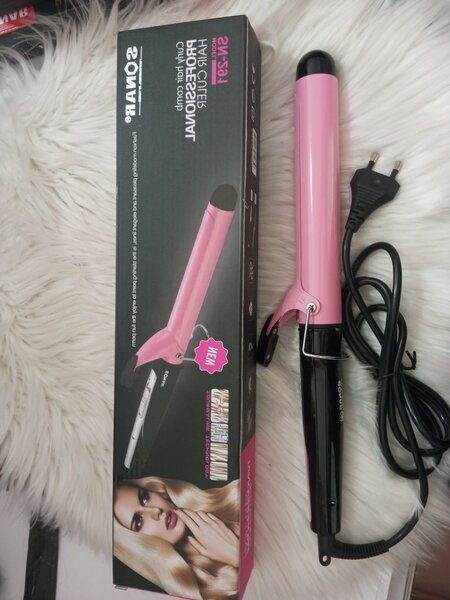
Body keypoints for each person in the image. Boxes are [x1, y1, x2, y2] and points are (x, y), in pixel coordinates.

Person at [113, 476, 240, 600]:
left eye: (145, 498)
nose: (155, 511)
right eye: (139, 521)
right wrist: (235, 555)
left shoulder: (235, 497)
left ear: (159, 492)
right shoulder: (198, 592)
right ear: (139, 547)